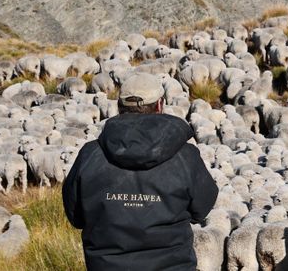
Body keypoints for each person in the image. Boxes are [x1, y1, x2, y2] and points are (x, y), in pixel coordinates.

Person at [63, 76, 218, 270]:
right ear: (160, 105)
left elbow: (75, 217)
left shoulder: (90, 155)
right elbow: (202, 210)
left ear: (119, 107)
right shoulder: (186, 156)